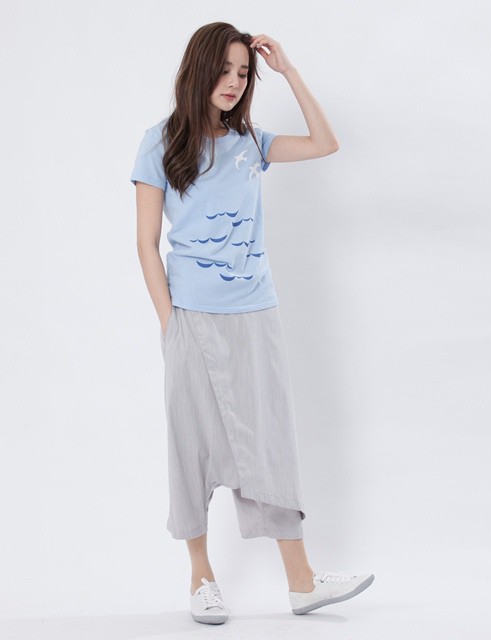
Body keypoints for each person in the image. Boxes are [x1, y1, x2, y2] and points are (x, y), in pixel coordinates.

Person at [131, 22, 373, 625]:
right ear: (199, 69)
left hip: (255, 314)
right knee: (192, 445)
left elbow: (325, 143)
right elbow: (145, 244)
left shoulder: (251, 143)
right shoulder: (159, 142)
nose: (235, 82)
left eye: (244, 73)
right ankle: (201, 577)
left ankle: (302, 581)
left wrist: (288, 71)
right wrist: (169, 324)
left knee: (269, 443)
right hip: (191, 319)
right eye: (225, 69)